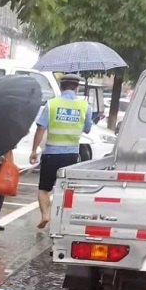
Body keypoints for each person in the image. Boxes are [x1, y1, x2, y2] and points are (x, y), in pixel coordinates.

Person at [29, 73, 93, 230]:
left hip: (51, 153)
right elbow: (88, 129)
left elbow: (40, 128)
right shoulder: (85, 106)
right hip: (71, 155)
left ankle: (45, 215)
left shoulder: (51, 104)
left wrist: (33, 150)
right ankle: (61, 220)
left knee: (44, 189)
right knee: (64, 189)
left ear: (61, 86)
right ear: (76, 88)